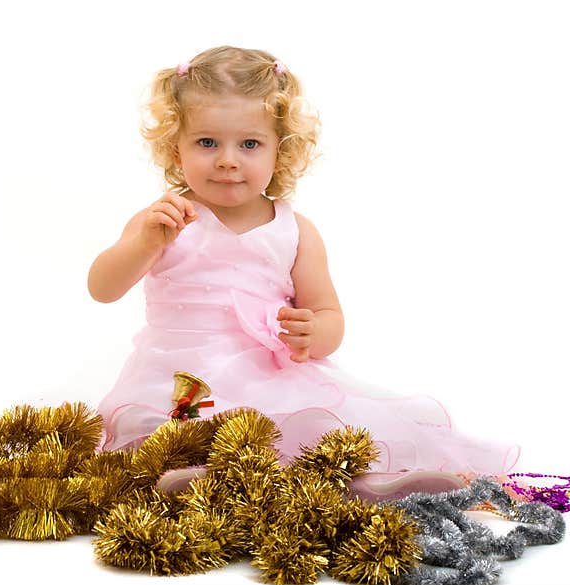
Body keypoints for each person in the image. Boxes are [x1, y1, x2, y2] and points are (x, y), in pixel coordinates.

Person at [87, 45, 520, 500]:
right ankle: (204, 478)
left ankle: (365, 481)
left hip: (267, 376)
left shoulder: (294, 231)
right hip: (181, 381)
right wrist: (143, 245)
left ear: (281, 150)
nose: (228, 159)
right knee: (169, 432)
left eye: (249, 144)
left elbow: (329, 316)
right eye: (207, 142)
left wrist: (313, 334)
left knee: (309, 423)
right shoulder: (165, 221)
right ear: (176, 150)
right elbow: (102, 288)